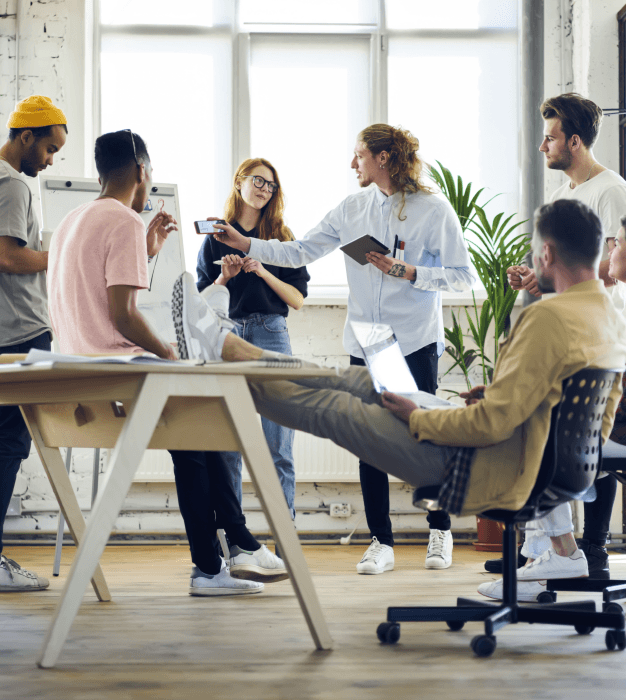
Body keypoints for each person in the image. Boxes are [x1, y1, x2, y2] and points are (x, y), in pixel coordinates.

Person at [172, 198, 626, 595]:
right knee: (351, 381)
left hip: (485, 464)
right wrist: (495, 395)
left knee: (336, 408)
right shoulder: (606, 317)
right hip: (528, 459)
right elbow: (581, 416)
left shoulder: (548, 318)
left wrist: (418, 417)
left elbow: (491, 425)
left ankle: (221, 362)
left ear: (546, 253)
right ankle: (233, 349)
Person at [203, 124, 476, 574]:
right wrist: (246, 243)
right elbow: (301, 251)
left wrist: (410, 273)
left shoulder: (434, 210)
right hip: (368, 341)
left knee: (427, 434)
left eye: (359, 156)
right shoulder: (352, 209)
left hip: (414, 339)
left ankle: (439, 529)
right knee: (367, 439)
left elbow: (462, 276)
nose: (353, 164)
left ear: (383, 158)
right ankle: (380, 540)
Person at [46, 129, 287, 596]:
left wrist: (148, 251)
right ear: (141, 171)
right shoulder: (122, 222)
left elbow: (91, 298)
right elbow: (123, 315)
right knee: (210, 418)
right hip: (124, 372)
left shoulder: (73, 220)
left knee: (201, 426)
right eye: (150, 173)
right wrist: (168, 354)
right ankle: (221, 557)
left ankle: (227, 552)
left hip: (80, 376)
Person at [504, 93, 626, 581]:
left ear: (573, 141)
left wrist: (559, 272)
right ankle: (546, 553)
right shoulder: (561, 198)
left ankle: (576, 551)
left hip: (601, 337)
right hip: (568, 334)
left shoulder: (611, 189)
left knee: (564, 440)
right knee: (535, 430)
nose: (542, 146)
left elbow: (616, 268)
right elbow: (565, 267)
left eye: (550, 137)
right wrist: (536, 276)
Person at [197, 158, 309, 521]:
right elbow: (200, 305)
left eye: (271, 185)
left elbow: (297, 299)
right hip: (227, 334)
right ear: (239, 182)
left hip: (271, 334)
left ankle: (284, 535)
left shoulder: (282, 238)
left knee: (279, 447)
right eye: (258, 181)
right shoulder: (215, 237)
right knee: (228, 446)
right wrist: (224, 278)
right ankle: (236, 538)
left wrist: (262, 270)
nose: (264, 189)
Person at [0, 95, 67, 592]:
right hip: (20, 334)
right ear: (26, 136)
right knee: (8, 446)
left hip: (9, 332)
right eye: (48, 148)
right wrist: (57, 255)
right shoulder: (13, 187)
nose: (50, 160)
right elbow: (9, 258)